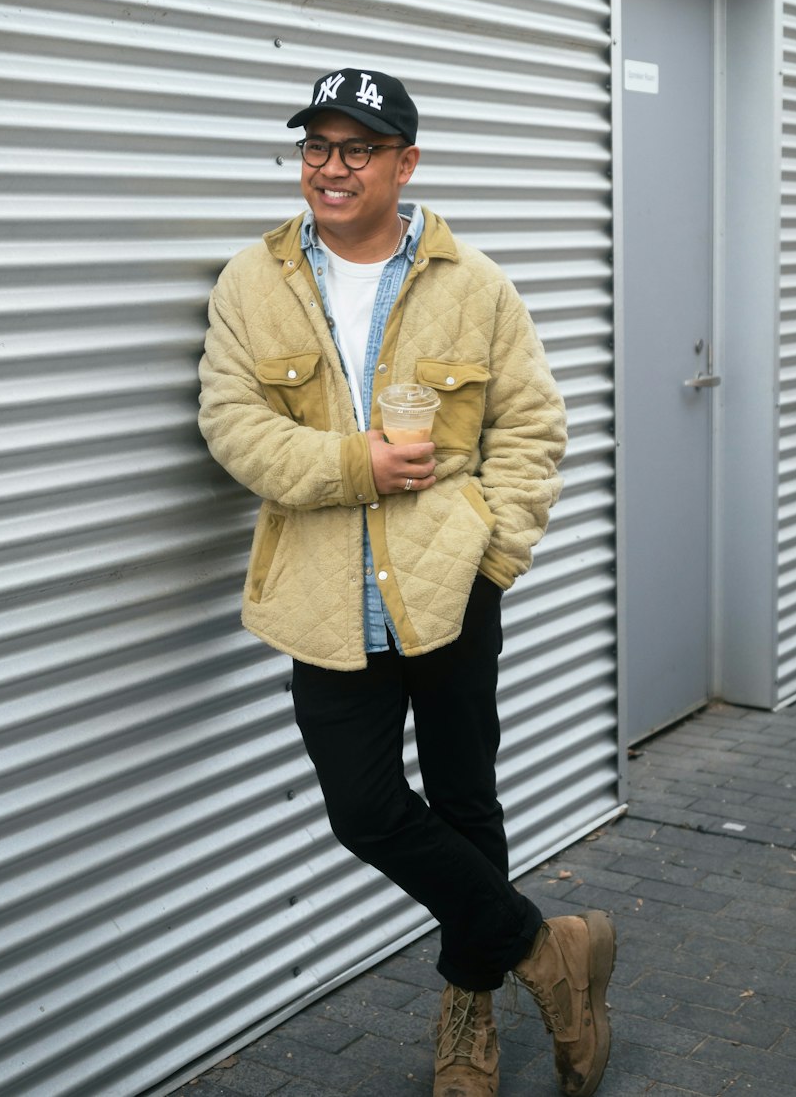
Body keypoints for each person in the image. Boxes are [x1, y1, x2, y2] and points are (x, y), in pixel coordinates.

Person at [198, 68, 616, 1097]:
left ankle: (469, 1016)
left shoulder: (472, 284)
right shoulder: (252, 284)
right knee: (368, 809)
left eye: (356, 150)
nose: (330, 170)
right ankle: (547, 952)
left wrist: (495, 551)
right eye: (315, 149)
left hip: (448, 589)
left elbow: (534, 427)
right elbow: (231, 424)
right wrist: (354, 467)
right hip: (322, 596)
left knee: (468, 799)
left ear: (405, 164)